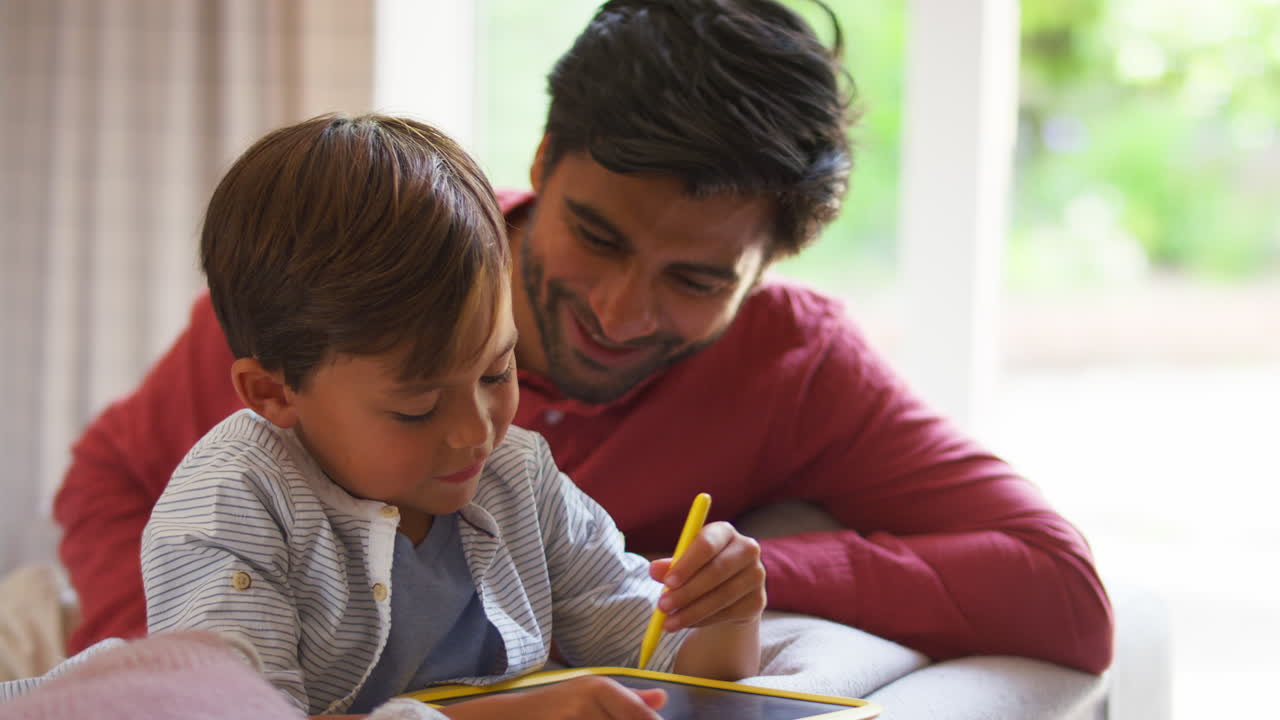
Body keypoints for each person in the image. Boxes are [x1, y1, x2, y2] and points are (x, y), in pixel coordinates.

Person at [55, 0, 1113, 677]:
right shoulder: (344, 292)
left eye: (694, 280)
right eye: (592, 236)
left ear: (766, 266)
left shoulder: (793, 365)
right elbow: (108, 481)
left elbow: (1057, 590)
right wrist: (168, 668)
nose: (614, 311)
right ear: (545, 156)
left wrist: (728, 578)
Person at [138, 112, 766, 718]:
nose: (477, 433)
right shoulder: (230, 505)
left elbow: (669, 670)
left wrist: (724, 612)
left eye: (498, 371)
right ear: (273, 393)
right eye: (417, 407)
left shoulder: (519, 477)